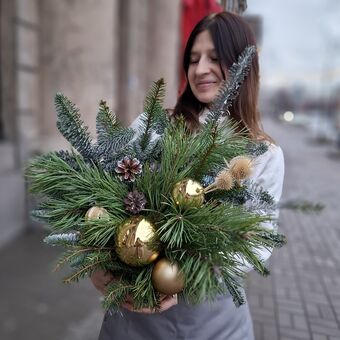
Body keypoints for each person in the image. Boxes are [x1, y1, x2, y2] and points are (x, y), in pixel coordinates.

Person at [91, 11, 284, 340]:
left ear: (242, 66)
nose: (201, 69)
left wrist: (182, 274)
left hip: (212, 320)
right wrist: (100, 265)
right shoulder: (155, 125)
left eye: (215, 57)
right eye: (193, 59)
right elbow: (104, 189)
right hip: (132, 318)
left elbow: (259, 242)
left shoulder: (262, 155)